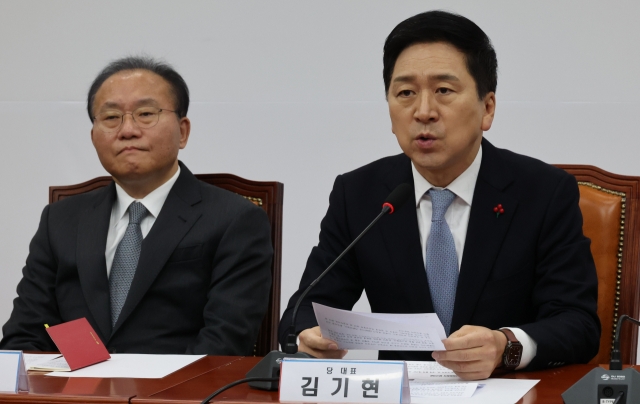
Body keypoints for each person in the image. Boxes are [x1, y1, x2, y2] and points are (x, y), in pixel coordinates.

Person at [279, 10, 600, 380]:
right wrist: (306, 337)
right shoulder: (360, 194)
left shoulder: (542, 192)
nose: (424, 111)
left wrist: (505, 346)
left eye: (444, 91)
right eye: (405, 93)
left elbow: (578, 324)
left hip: (505, 392)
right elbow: (304, 311)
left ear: (487, 108)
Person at [0, 56, 273, 355]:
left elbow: (224, 345)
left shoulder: (235, 219)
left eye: (145, 113)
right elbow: (24, 336)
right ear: (93, 137)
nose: (127, 130)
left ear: (182, 132)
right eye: (111, 117)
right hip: (74, 395)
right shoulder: (61, 220)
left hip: (176, 397)